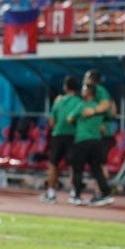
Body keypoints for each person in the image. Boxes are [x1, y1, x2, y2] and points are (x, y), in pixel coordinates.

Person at [67, 84, 114, 206]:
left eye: (84, 89)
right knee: (97, 170)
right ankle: (106, 194)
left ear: (89, 92)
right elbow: (111, 115)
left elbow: (69, 119)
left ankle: (76, 195)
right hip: (96, 142)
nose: (82, 91)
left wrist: (78, 125)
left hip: (82, 141)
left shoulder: (81, 106)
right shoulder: (99, 108)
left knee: (78, 169)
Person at [42, 75, 81, 203]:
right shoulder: (79, 102)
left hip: (58, 135)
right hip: (73, 136)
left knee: (53, 164)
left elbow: (52, 121)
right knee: (73, 166)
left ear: (65, 86)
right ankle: (74, 194)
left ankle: (51, 193)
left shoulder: (59, 102)